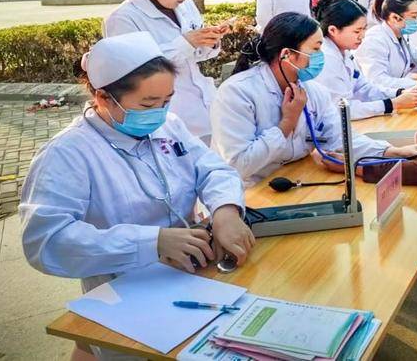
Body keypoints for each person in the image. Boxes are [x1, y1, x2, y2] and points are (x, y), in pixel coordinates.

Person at [20, 33, 253, 359]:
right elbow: (47, 241)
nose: (159, 112)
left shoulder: (168, 126)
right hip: (123, 294)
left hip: (191, 276)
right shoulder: (68, 153)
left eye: (167, 101)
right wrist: (151, 242)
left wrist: (225, 211)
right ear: (103, 97)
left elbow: (213, 169)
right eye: (147, 104)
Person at [210, 12, 417, 186]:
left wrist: (390, 151)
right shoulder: (238, 93)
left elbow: (339, 137)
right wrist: (287, 123)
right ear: (287, 54)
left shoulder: (312, 91)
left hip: (297, 179)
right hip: (251, 191)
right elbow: (240, 164)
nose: (320, 56)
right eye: (315, 49)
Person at [105, 0, 227, 141]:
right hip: (167, 117)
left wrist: (209, 42)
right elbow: (136, 70)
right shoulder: (123, 18)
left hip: (205, 107)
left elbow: (195, 55)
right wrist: (186, 43)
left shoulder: (185, 6)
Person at [311, 0, 417, 120]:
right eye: (357, 31)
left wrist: (400, 93)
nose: (362, 36)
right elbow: (343, 109)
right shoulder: (327, 60)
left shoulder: (345, 53)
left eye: (364, 29)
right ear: (333, 30)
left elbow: (364, 88)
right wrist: (392, 104)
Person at [355, 0, 417, 92]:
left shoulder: (401, 38)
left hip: (394, 95)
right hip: (374, 98)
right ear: (395, 17)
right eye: (414, 16)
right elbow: (377, 80)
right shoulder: (374, 40)